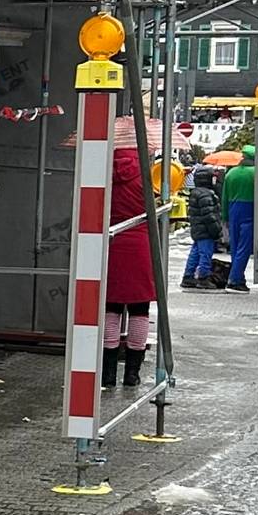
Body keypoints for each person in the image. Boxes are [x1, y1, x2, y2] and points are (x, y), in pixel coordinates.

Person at [102, 142, 158, 390]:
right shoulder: (146, 176)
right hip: (140, 244)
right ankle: (132, 373)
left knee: (110, 308)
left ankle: (107, 373)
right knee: (139, 309)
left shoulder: (105, 173)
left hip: (112, 243)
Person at [181, 164, 226, 290]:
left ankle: (188, 276)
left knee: (195, 253)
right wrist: (217, 230)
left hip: (198, 229)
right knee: (206, 254)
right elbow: (210, 215)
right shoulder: (206, 195)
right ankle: (203, 278)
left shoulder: (196, 192)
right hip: (206, 231)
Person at [220, 147, 258, 291]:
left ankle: (238, 277)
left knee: (235, 247)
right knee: (245, 247)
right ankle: (235, 279)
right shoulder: (256, 173)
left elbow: (224, 196)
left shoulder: (231, 173)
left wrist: (225, 216)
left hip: (233, 209)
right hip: (250, 209)